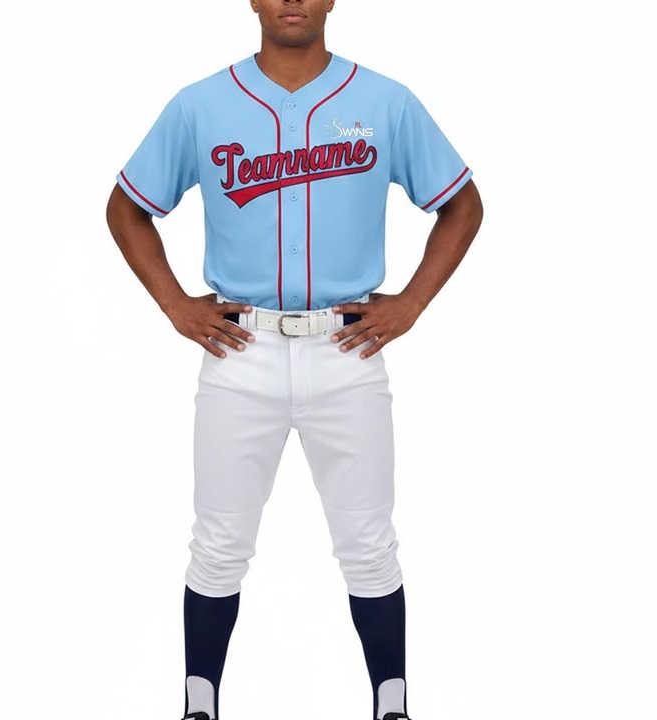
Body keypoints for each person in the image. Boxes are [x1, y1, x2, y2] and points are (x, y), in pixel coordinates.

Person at [106, 1, 483, 718]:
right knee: (219, 544)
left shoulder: (384, 101)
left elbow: (462, 204)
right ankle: (198, 706)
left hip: (348, 347)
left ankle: (393, 705)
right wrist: (174, 304)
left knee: (368, 544)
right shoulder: (200, 104)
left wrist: (411, 303)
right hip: (238, 348)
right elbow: (126, 207)